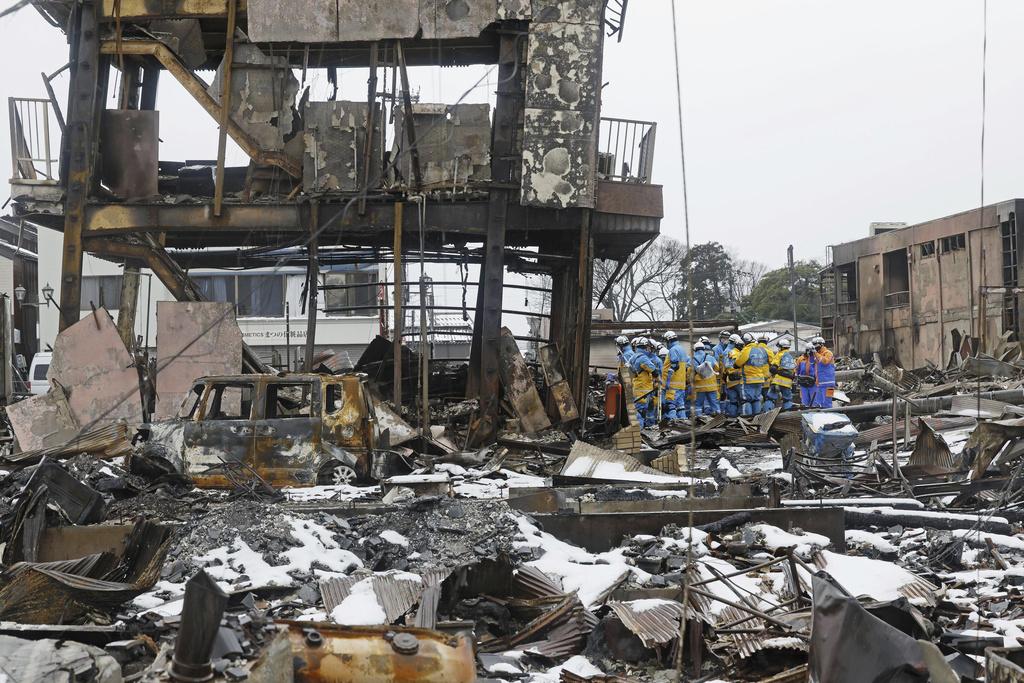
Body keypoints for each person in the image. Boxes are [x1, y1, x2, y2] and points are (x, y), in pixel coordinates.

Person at [735, 332, 770, 415]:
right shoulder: (761, 350)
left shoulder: (747, 349)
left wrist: (735, 365)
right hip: (760, 379)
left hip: (748, 380)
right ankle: (757, 419)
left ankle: (747, 421)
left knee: (746, 400)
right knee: (756, 399)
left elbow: (738, 363)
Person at [797, 336, 836, 408]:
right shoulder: (817, 354)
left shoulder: (828, 353)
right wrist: (811, 355)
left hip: (829, 383)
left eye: (816, 345)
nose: (815, 347)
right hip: (820, 383)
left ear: (821, 344)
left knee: (827, 402)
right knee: (819, 403)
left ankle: (829, 416)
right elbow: (812, 362)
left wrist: (815, 353)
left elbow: (825, 362)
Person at [631, 337, 660, 426]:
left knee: (638, 410)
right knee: (641, 412)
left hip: (636, 388)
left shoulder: (633, 356)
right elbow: (653, 370)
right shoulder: (643, 358)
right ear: (646, 347)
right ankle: (640, 432)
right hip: (643, 390)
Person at [662, 331, 690, 419]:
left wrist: (667, 382)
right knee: (680, 406)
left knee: (671, 405)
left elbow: (674, 365)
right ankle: (684, 422)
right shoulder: (682, 349)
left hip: (672, 385)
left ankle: (672, 425)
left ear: (669, 341)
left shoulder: (673, 350)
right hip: (681, 385)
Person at [690, 341, 720, 416]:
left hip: (700, 387)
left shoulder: (692, 360)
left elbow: (689, 373)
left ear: (695, 349)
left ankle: (699, 418)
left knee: (698, 404)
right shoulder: (711, 357)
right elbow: (717, 368)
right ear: (703, 349)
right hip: (711, 385)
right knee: (714, 403)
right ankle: (719, 418)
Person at [765, 338, 796, 410]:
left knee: (770, 398)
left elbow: (773, 368)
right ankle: (788, 415)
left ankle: (767, 414)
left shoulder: (779, 354)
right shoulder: (791, 357)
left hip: (777, 382)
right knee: (787, 400)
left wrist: (766, 377)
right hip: (787, 383)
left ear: (781, 347)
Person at [723, 333, 744, 417]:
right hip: (739, 379)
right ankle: (741, 418)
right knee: (742, 401)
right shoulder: (740, 354)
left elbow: (725, 367)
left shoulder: (728, 352)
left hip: (729, 380)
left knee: (733, 401)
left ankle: (732, 417)